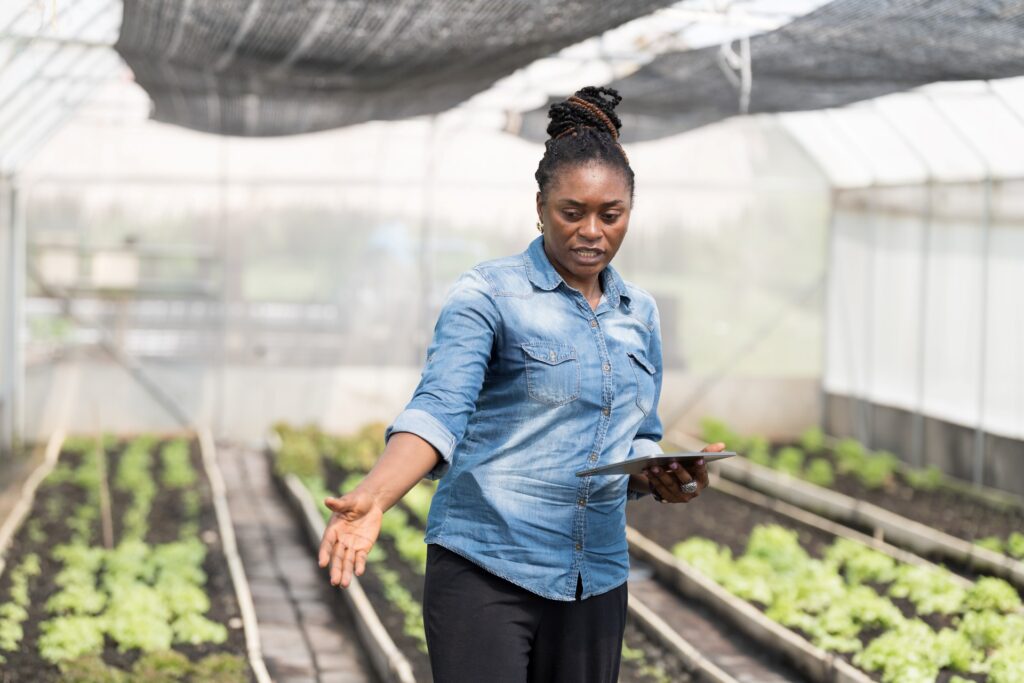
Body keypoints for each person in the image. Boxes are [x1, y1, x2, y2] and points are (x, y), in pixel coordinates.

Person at [317, 85, 725, 683]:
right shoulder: (488, 294)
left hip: (597, 574)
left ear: (629, 212)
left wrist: (663, 474)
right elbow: (439, 409)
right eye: (571, 212)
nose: (592, 231)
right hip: (488, 568)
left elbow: (641, 434)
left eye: (610, 215)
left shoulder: (640, 313)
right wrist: (376, 496)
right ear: (539, 207)